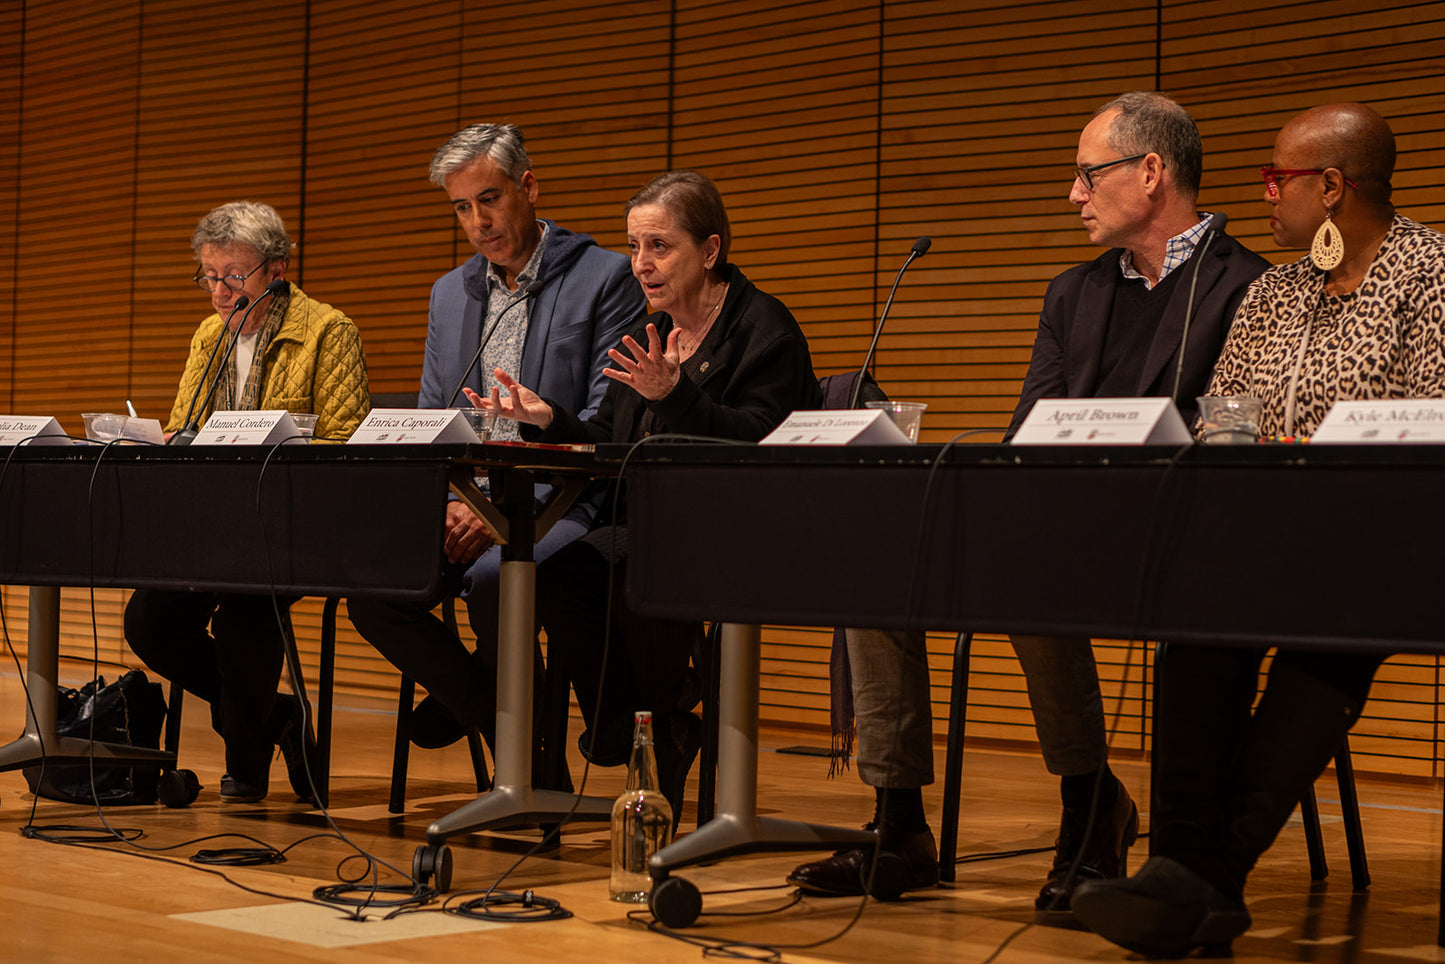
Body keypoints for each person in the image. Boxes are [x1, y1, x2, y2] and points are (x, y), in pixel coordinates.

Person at [787, 91, 1270, 904]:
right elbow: (1027, 431)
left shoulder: (1246, 286)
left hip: (1172, 536)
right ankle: (898, 821)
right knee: (876, 564)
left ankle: (1088, 806)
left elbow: (1236, 435)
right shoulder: (1070, 294)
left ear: (1150, 173)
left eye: (1088, 175)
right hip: (1058, 520)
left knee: (1029, 578)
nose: (1072, 195)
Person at [1073, 103, 1445, 957]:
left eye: (1277, 177)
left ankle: (1202, 876)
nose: (1263, 193)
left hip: (1388, 543)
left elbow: (1427, 425)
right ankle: (1183, 871)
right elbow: (1223, 420)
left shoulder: (1429, 273)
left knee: (1330, 630)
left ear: (1330, 185)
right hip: (1265, 537)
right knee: (1195, 619)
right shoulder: (1272, 293)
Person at [473, 170, 823, 819]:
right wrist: (546, 416)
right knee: (560, 569)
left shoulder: (763, 328)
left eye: (658, 246)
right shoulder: (651, 331)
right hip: (645, 527)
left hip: (741, 530)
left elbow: (763, 443)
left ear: (710, 251)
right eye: (634, 247)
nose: (641, 265)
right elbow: (609, 436)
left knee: (620, 564)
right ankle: (639, 725)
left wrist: (678, 395)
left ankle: (654, 722)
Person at [347, 124, 644, 777]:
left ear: (528, 188)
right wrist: (462, 503)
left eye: (490, 199)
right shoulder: (450, 293)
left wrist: (496, 515)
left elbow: (602, 420)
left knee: (493, 581)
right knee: (374, 592)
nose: (478, 222)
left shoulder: (606, 278)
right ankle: (496, 713)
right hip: (470, 500)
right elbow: (434, 420)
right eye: (461, 208)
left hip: (566, 500)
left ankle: (528, 766)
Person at [124, 200, 370, 803]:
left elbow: (343, 441)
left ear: (276, 269)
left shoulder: (327, 330)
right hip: (215, 526)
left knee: (245, 606)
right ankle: (275, 715)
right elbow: (186, 430)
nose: (218, 290)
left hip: (295, 524)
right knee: (150, 621)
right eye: (208, 275)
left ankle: (246, 763)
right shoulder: (209, 335)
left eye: (234, 275)